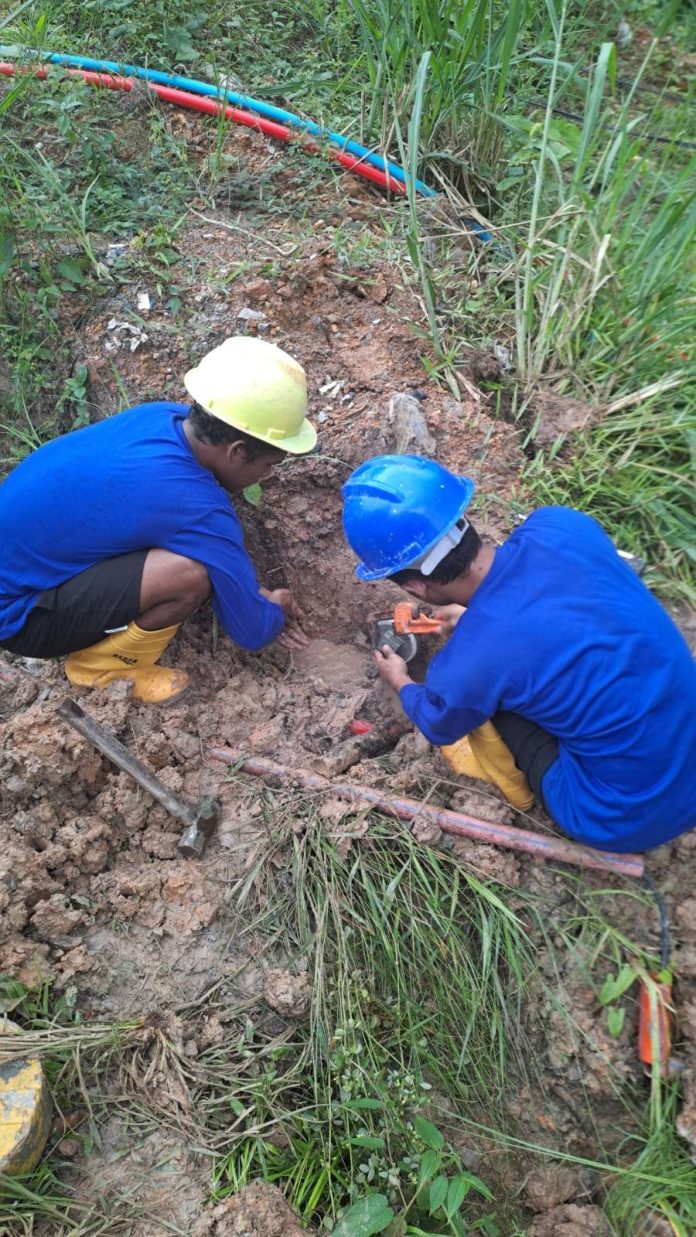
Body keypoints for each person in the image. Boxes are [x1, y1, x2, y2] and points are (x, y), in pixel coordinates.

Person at [342, 454, 696, 853]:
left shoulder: (469, 664)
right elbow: (544, 598)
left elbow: (440, 724)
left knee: (492, 705)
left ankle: (530, 795)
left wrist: (402, 681)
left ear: (416, 589)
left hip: (618, 815)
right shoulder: (562, 526)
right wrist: (477, 615)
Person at [0, 335, 316, 704]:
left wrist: (253, 593)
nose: (268, 476)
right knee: (190, 575)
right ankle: (100, 667)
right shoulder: (196, 506)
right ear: (237, 451)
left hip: (21, 568)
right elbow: (252, 631)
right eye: (268, 465)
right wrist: (273, 609)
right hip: (18, 615)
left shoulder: (160, 416)